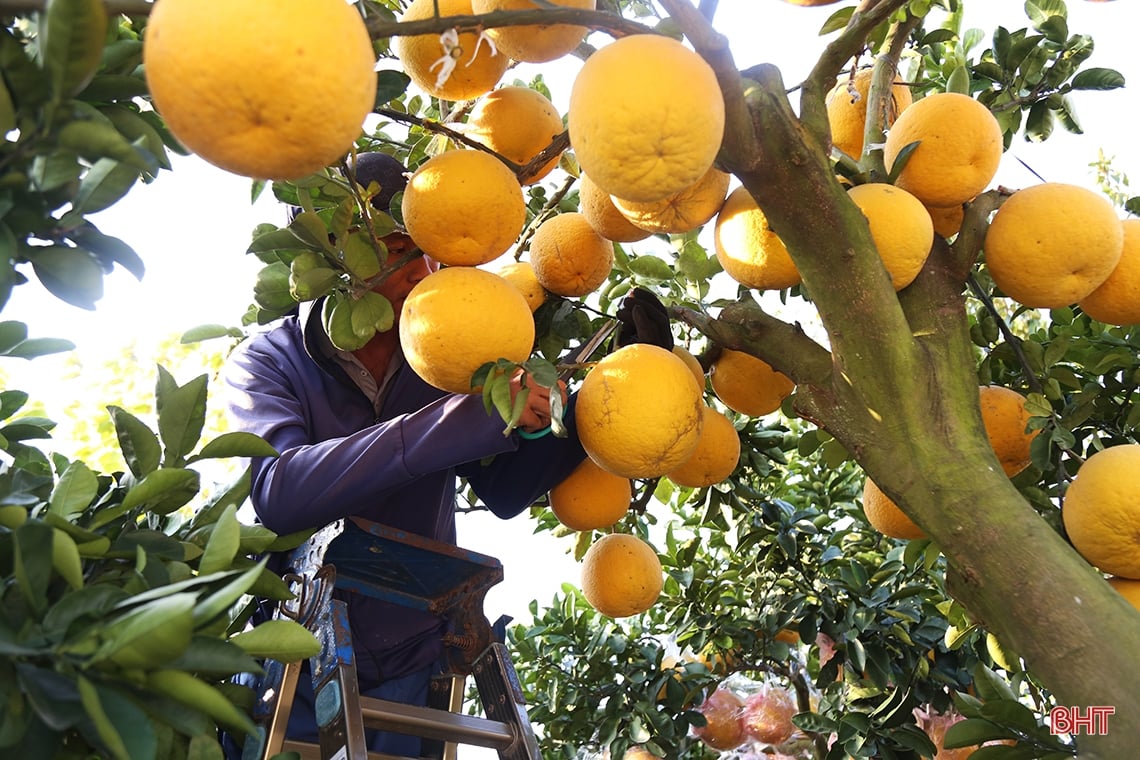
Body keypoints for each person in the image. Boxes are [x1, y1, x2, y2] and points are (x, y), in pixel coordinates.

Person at [221, 152, 670, 756]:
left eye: (425, 248)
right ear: (334, 253)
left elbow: (507, 490)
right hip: (300, 649)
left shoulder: (445, 357)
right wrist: (453, 423)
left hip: (414, 652)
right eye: (397, 246)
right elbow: (281, 492)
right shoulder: (271, 360)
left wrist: (596, 398)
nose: (422, 266)